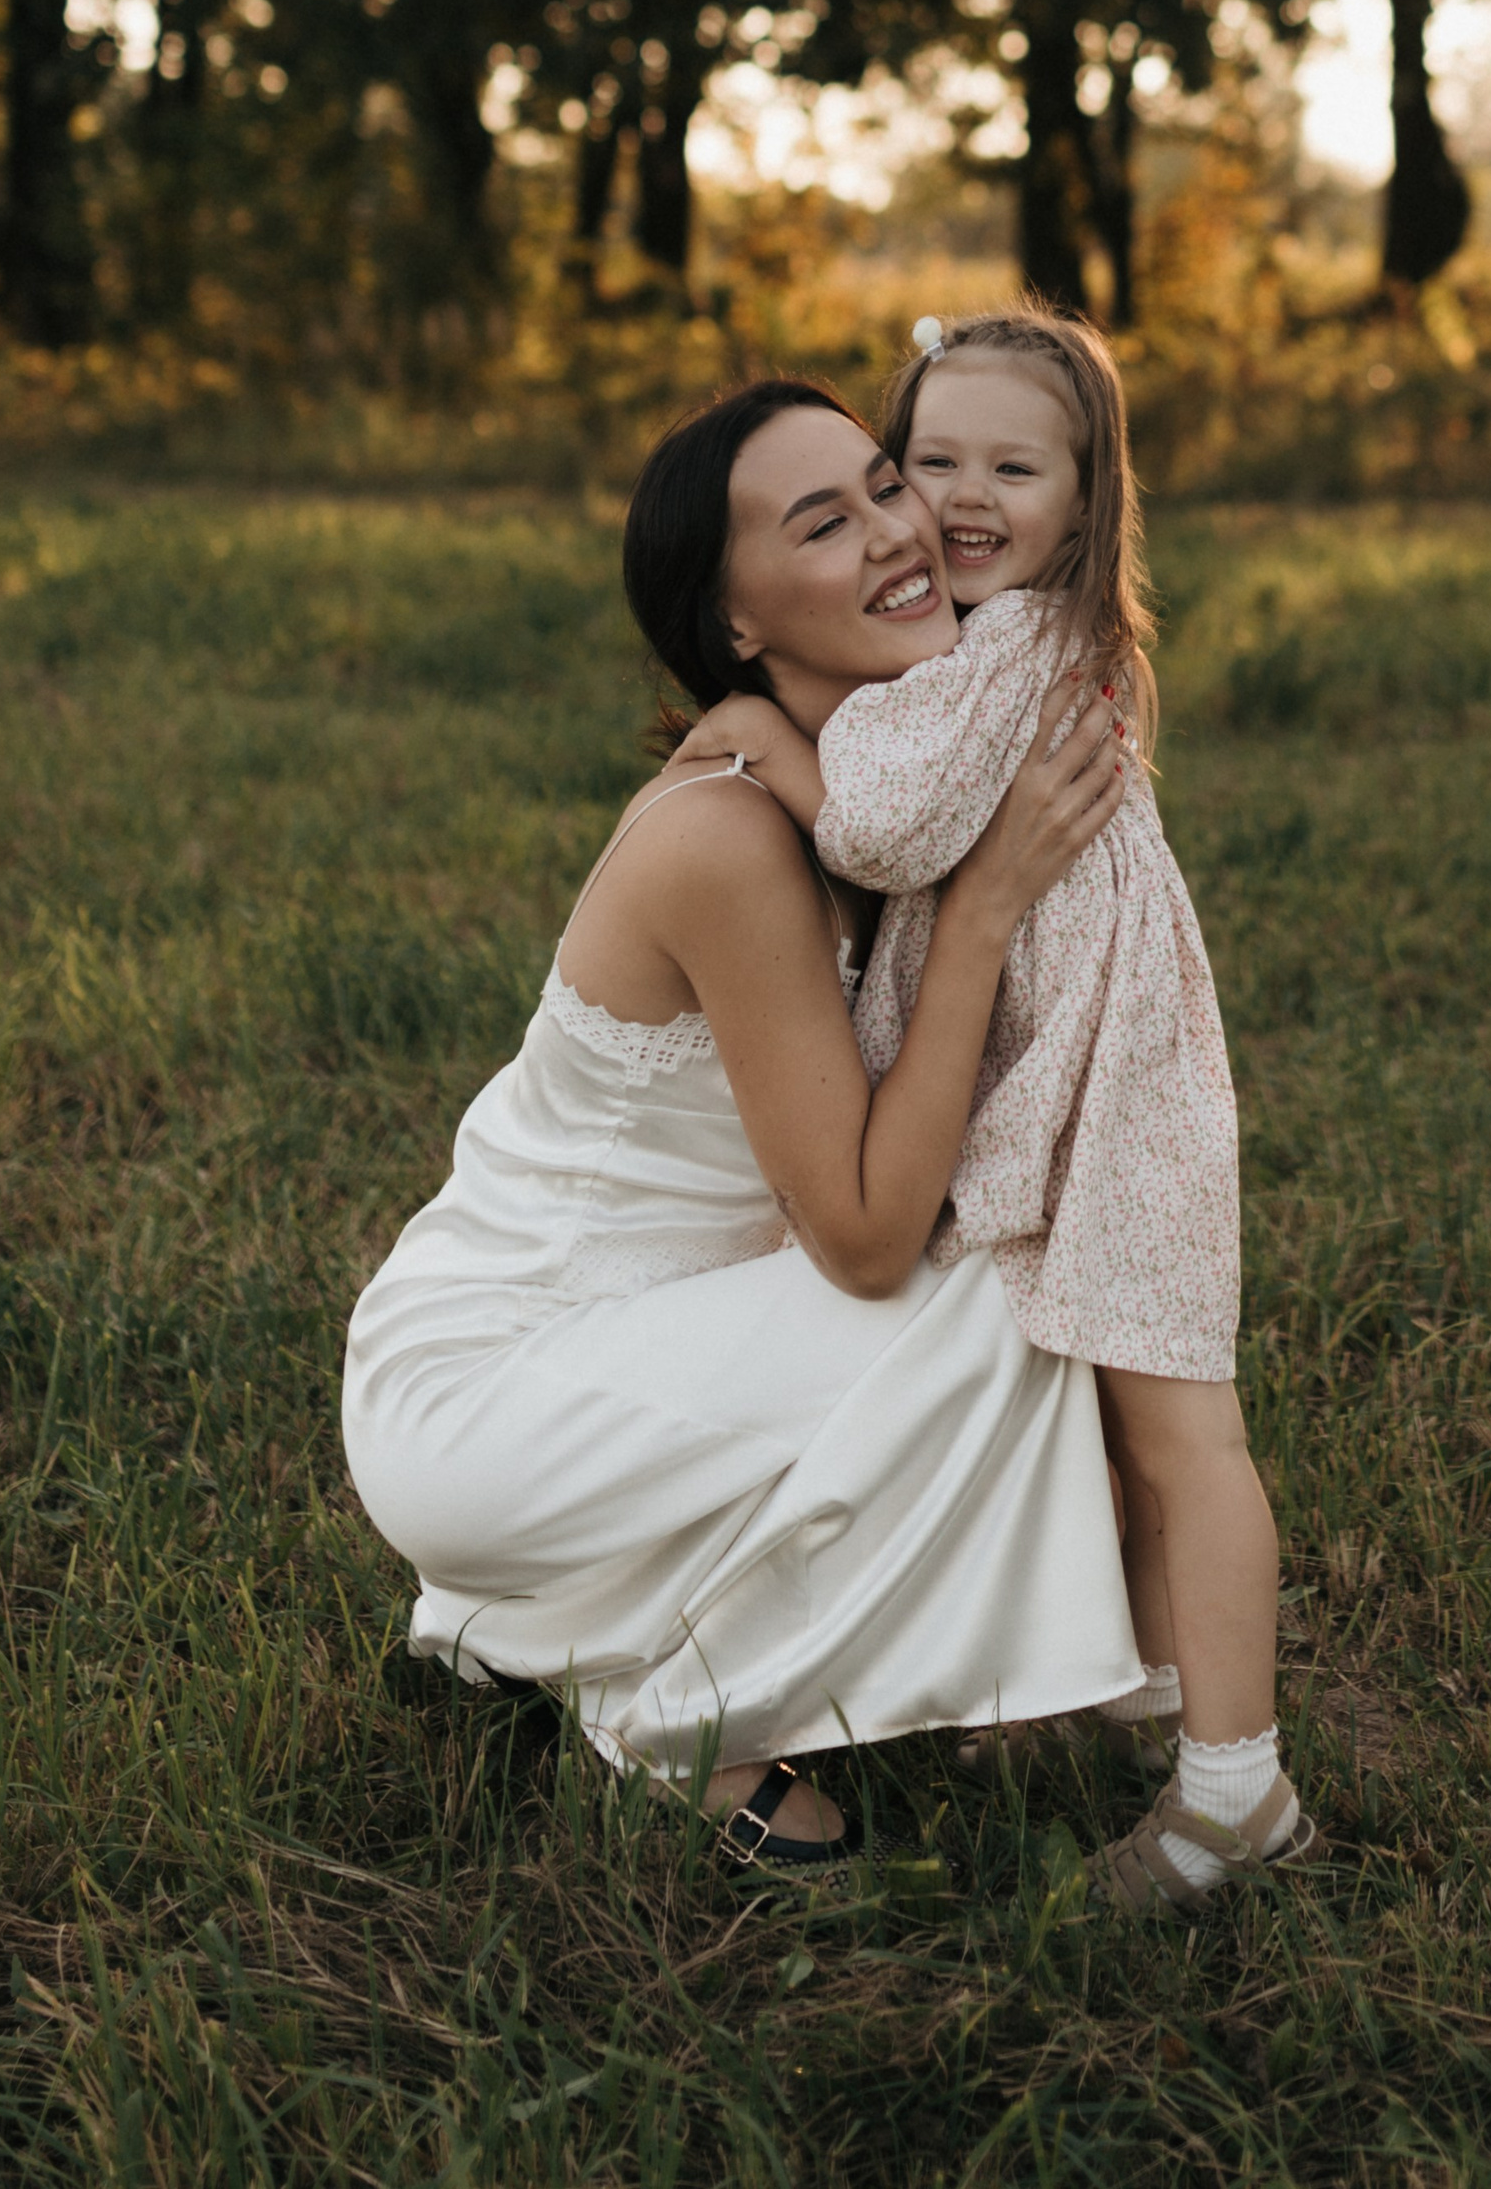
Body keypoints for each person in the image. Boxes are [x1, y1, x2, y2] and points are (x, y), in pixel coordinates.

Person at [341, 376, 1142, 1871]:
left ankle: (529, 1618)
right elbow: (858, 1238)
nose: (903, 531)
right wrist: (978, 918)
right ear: (739, 625)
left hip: (632, 1349)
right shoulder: (728, 836)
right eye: (823, 522)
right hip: (487, 1392)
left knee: (1013, 1256)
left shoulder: (879, 787)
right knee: (998, 1285)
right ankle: (673, 1706)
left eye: (884, 483)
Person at [667, 303, 1316, 1916]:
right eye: (926, 459)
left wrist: (769, 738)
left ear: (1085, 505)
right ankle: (1144, 1701)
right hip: (1083, 1074)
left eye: (1010, 465)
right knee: (1108, 1423)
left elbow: (881, 830)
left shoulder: (1017, 639)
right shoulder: (1001, 638)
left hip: (1124, 1100)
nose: (961, 495)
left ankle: (1239, 1796)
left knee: (1183, 1435)